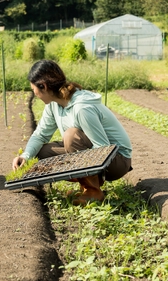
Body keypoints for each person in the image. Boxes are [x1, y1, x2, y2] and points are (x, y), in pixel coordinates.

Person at [11, 60, 132, 205]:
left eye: (34, 89)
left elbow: (103, 148)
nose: (34, 93)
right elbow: (40, 135)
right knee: (40, 153)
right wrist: (26, 156)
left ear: (43, 86)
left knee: (71, 137)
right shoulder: (54, 105)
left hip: (117, 160)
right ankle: (85, 186)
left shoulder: (82, 108)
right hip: (100, 155)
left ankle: (93, 190)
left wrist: (73, 166)